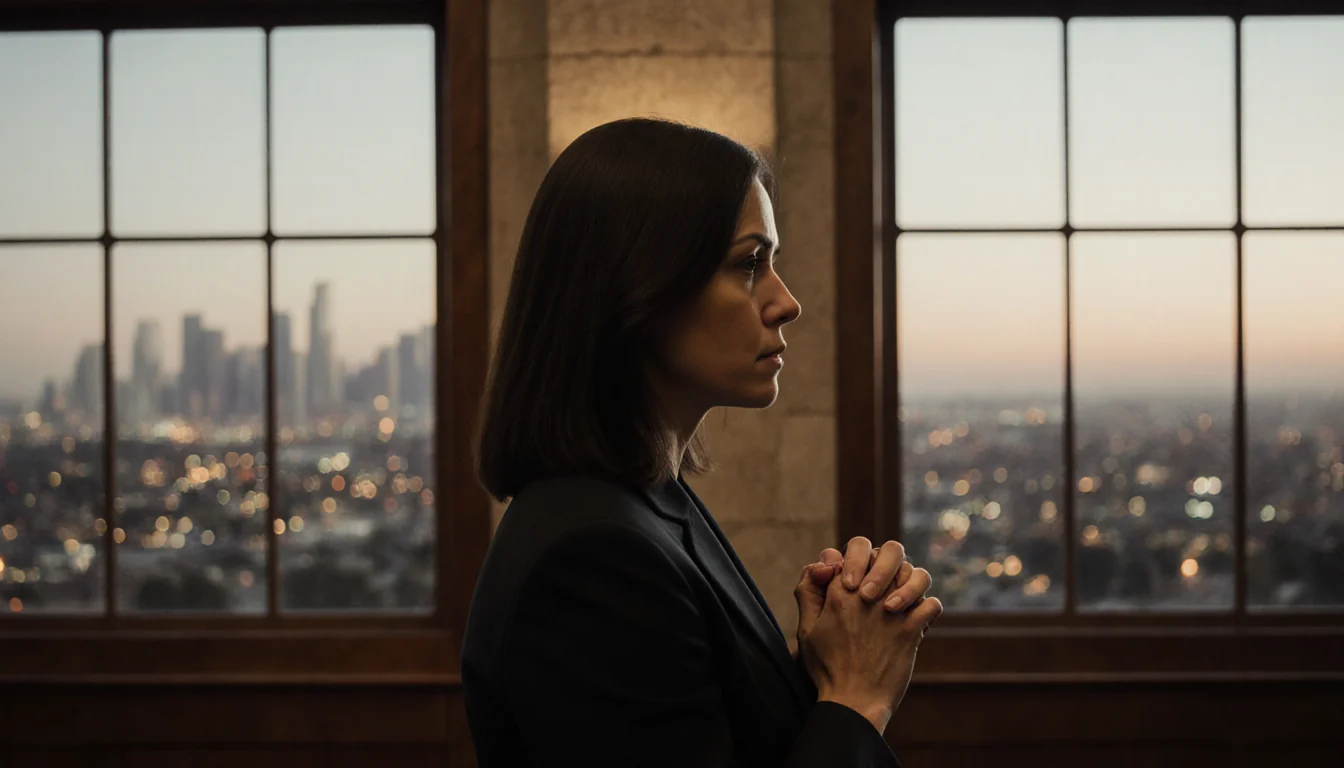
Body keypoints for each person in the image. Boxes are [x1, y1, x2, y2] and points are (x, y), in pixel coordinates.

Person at [462, 117, 942, 767]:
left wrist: (820, 664)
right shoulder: (589, 558)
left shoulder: (649, 500)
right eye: (750, 264)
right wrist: (857, 699)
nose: (787, 302)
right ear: (640, 287)